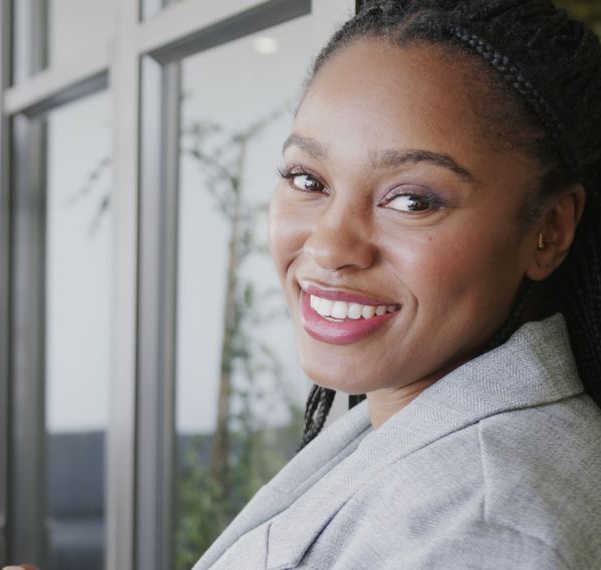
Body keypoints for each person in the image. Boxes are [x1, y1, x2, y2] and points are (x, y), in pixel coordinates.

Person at [193, 0, 601, 568]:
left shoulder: (489, 534)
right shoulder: (399, 426)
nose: (330, 247)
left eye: (411, 200)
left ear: (549, 229)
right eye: (307, 179)